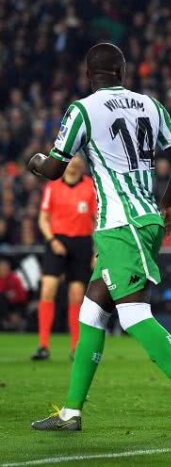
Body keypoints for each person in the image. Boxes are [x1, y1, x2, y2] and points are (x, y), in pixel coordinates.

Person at [29, 43, 171, 433]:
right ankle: (71, 412)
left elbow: (53, 169)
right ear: (122, 71)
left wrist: (33, 160)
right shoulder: (150, 105)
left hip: (121, 225)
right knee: (92, 312)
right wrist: (167, 204)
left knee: (134, 315)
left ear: (89, 75)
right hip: (145, 216)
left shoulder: (82, 109)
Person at [32, 155, 97, 361]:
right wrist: (52, 240)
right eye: (73, 157)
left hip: (82, 242)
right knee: (48, 288)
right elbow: (43, 219)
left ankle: (75, 348)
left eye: (79, 158)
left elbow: (98, 220)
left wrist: (97, 249)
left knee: (77, 294)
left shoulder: (90, 187)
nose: (75, 161)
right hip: (57, 241)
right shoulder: (53, 186)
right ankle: (43, 345)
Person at [0, 257, 28, 331]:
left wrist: (12, 297)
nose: (4, 269)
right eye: (2, 268)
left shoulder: (14, 279)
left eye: (6, 267)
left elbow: (23, 296)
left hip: (15, 305)